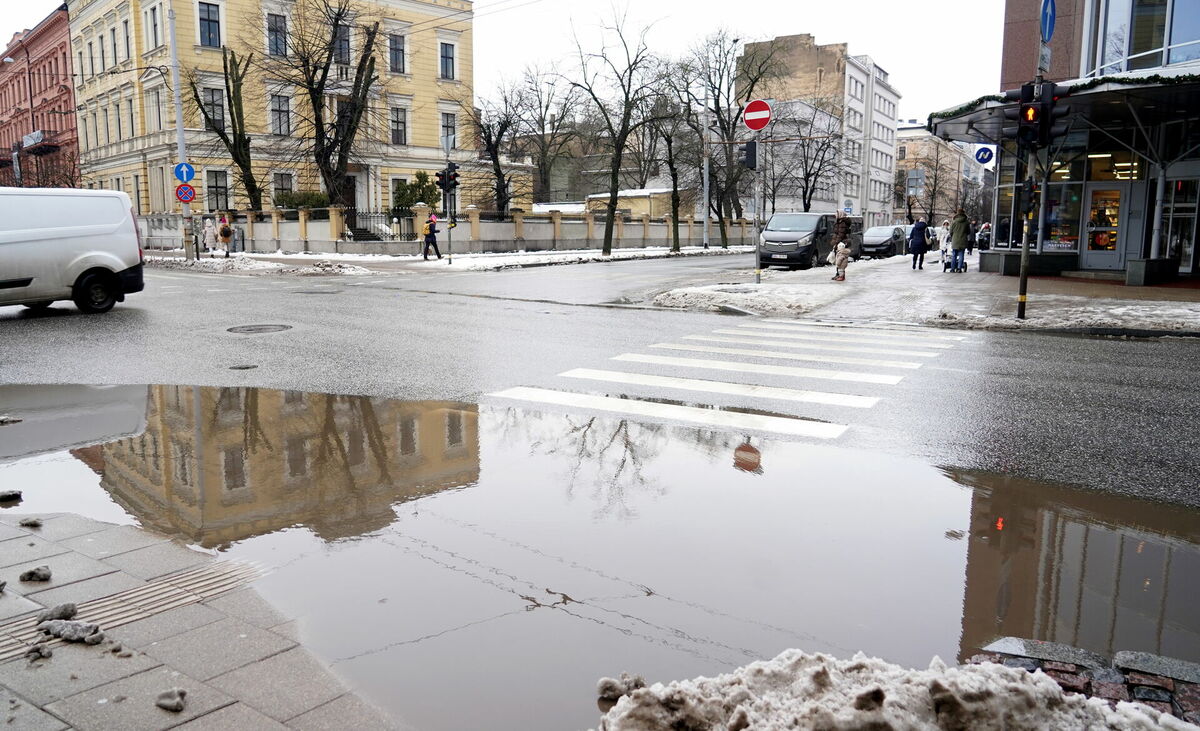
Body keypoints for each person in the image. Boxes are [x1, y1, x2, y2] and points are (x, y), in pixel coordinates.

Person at [949, 208, 971, 273]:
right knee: (961, 254)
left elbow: (950, 232)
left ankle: (952, 268)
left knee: (954, 255)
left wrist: (953, 236)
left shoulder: (954, 221)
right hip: (963, 240)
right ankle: (959, 268)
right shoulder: (966, 222)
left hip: (955, 240)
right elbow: (968, 232)